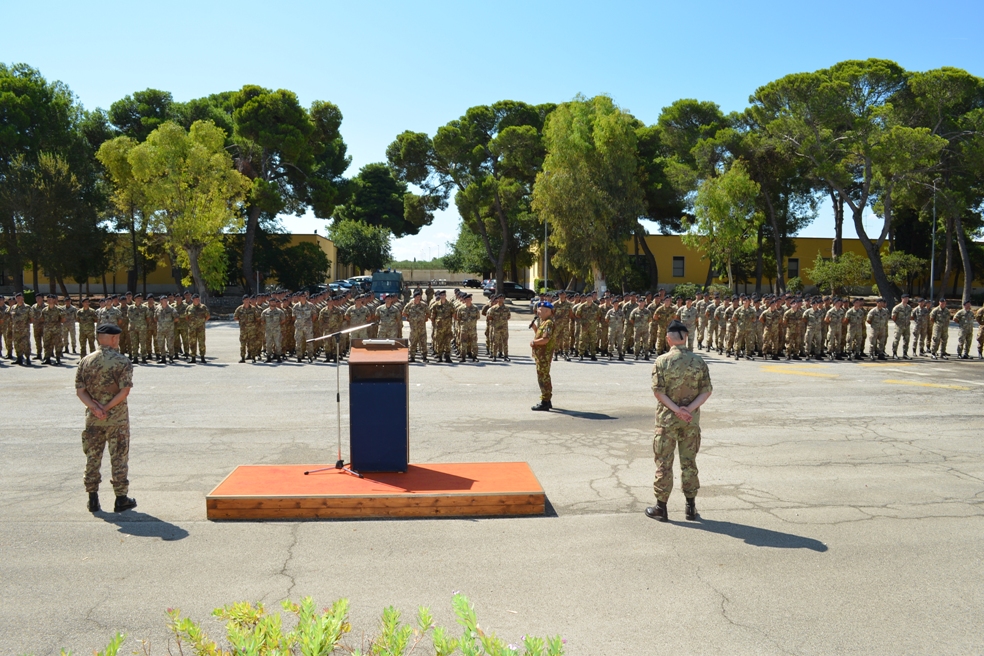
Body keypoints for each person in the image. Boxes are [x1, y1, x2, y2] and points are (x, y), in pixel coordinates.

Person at [646, 320, 713, 523]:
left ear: (668, 339)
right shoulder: (699, 361)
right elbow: (706, 391)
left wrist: (677, 410)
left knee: (664, 464)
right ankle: (690, 507)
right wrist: (688, 410)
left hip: (667, 422)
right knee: (689, 462)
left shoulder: (661, 361)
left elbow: (658, 392)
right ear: (686, 338)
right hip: (690, 422)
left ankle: (661, 508)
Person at [74, 324, 137, 514]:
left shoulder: (86, 361)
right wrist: (106, 408)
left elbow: (80, 391)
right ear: (114, 338)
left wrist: (95, 409)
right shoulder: (122, 361)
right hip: (117, 419)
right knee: (119, 457)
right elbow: (124, 392)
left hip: (93, 419)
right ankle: (121, 498)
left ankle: (92, 498)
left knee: (92, 457)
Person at [530, 301, 556, 411]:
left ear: (547, 311)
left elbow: (545, 340)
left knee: (543, 378)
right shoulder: (544, 322)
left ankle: (545, 401)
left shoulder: (549, 323)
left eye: (540, 310)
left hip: (544, 355)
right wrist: (535, 328)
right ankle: (547, 400)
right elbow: (540, 335)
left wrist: (534, 343)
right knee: (543, 376)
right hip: (540, 355)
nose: (538, 312)